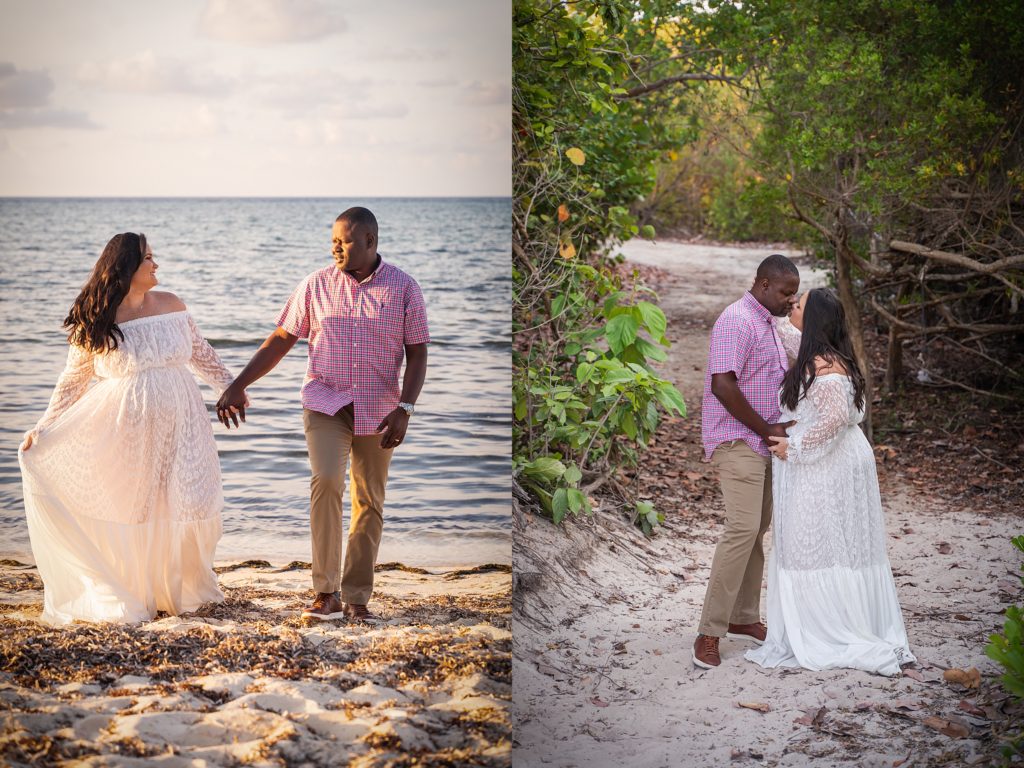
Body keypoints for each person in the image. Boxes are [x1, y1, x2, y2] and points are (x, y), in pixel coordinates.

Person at [215, 206, 429, 621]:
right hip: (325, 401)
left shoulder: (405, 288)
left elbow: (418, 352)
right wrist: (239, 384)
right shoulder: (315, 285)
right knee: (326, 480)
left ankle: (357, 598)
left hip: (380, 408)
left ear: (369, 241)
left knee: (369, 500)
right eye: (332, 240)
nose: (335, 248)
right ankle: (325, 593)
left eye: (344, 241)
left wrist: (405, 408)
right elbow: (282, 338)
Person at [18, 232, 239, 625]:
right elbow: (72, 382)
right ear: (126, 268)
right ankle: (138, 589)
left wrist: (230, 387)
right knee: (136, 507)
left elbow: (202, 354)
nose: (156, 264)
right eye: (148, 258)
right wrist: (43, 427)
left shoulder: (172, 305)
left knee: (190, 500)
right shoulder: (98, 320)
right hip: (126, 428)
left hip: (184, 424)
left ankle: (180, 588)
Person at [745, 288, 915, 676]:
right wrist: (763, 303)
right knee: (827, 540)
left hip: (829, 462)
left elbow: (835, 418)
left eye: (799, 304)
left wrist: (796, 446)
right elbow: (785, 330)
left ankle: (830, 626)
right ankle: (828, 617)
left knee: (816, 541)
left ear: (815, 319)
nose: (793, 306)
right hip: (833, 460)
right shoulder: (816, 351)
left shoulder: (826, 368)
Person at [693, 254, 800, 669]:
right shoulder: (735, 320)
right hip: (737, 437)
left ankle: (743, 618)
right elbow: (723, 385)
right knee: (740, 529)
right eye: (785, 294)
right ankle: (709, 631)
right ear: (763, 285)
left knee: (756, 529)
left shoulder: (770, 324)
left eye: (794, 296)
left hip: (762, 439)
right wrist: (766, 429)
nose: (790, 302)